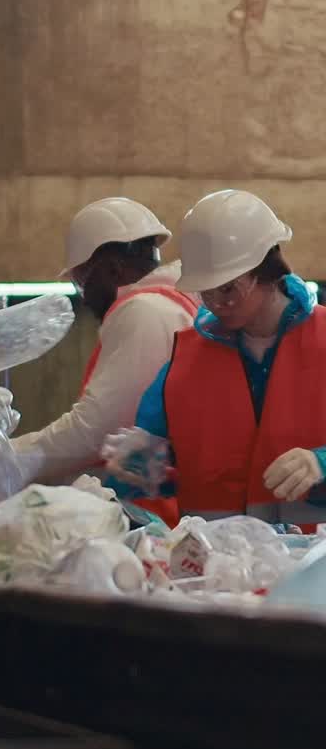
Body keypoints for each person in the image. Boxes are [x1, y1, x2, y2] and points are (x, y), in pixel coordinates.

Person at [106, 190, 326, 527]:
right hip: (217, 572)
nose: (216, 303)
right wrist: (137, 470)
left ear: (268, 271)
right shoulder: (184, 365)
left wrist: (321, 462)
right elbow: (165, 471)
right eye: (206, 292)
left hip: (315, 573)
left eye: (229, 289)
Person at [12, 197, 198, 517]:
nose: (83, 297)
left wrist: (9, 457)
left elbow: (95, 431)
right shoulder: (171, 304)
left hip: (156, 515)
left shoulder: (144, 312)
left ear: (112, 268)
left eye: (81, 281)